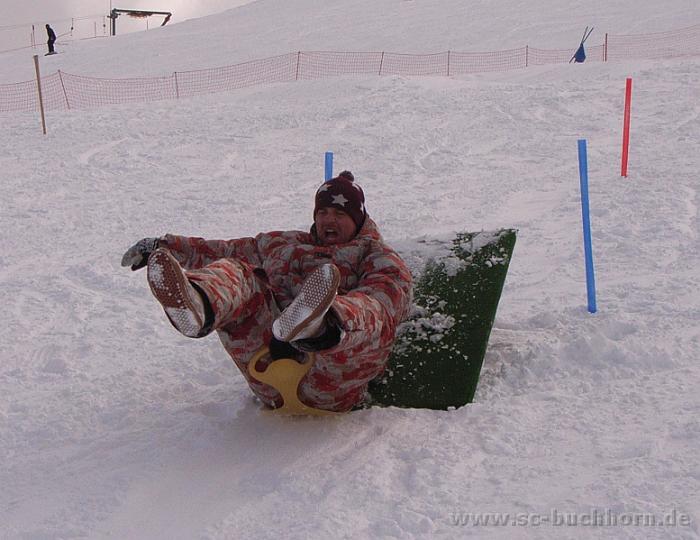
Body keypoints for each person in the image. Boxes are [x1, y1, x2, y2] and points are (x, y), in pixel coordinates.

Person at [121, 171, 413, 412]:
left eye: (339, 213)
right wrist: (164, 246)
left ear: (358, 218)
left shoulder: (376, 255)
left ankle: (319, 323)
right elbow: (223, 250)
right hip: (267, 368)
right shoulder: (284, 243)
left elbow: (388, 301)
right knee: (240, 272)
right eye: (323, 212)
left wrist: (330, 319)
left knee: (373, 310)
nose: (329, 220)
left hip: (332, 381)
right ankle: (199, 304)